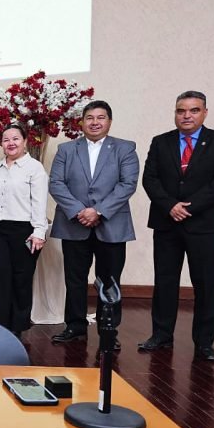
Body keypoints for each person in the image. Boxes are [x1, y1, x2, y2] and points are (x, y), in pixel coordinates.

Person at [139, 91, 214, 362]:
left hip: (203, 224)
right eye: (181, 110)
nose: (187, 116)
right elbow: (150, 179)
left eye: (193, 110)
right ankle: (161, 335)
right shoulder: (161, 142)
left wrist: (188, 207)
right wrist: (170, 205)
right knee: (165, 281)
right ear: (175, 113)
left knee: (205, 284)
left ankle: (204, 342)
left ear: (205, 112)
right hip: (166, 222)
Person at [49, 100, 139, 349]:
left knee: (109, 281)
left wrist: (98, 211)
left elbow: (127, 184)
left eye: (101, 117)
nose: (95, 122)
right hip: (74, 224)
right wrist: (80, 211)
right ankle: (75, 327)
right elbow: (56, 183)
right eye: (90, 117)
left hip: (111, 225)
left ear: (109, 122)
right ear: (81, 122)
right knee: (74, 279)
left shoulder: (125, 148)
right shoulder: (66, 149)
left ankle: (108, 330)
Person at [0, 124, 48, 337]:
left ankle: (18, 327)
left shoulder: (34, 168)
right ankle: (0, 325)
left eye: (15, 139)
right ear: (1, 144)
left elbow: (40, 202)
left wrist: (40, 231)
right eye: (6, 140)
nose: (10, 143)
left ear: (25, 142)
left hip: (24, 230)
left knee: (21, 279)